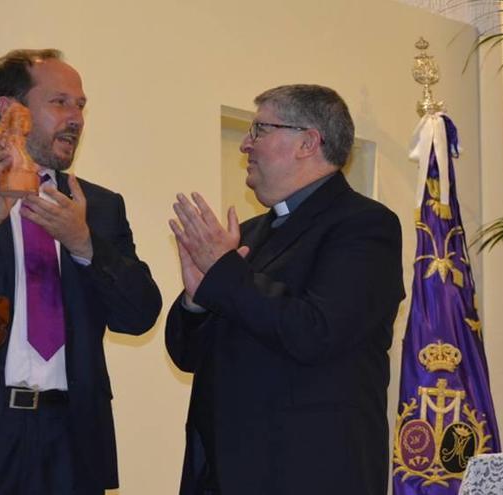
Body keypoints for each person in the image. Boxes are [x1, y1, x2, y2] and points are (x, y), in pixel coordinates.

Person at [0, 49, 162, 495]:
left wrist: (84, 244)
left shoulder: (98, 206)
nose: (76, 117)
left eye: (81, 105)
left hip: (73, 434)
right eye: (60, 102)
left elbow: (139, 314)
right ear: (10, 110)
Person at [166, 84, 404, 495]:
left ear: (308, 142)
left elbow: (317, 331)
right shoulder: (252, 233)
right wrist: (195, 301)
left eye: (259, 130)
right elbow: (189, 357)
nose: (245, 145)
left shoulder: (365, 225)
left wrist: (223, 275)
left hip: (307, 470)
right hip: (222, 473)